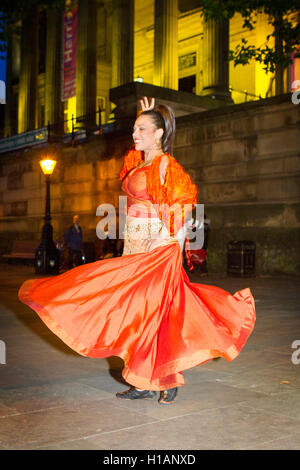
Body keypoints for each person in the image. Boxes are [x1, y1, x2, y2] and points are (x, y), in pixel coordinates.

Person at [18, 97, 256, 405]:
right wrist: (151, 112)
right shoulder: (138, 162)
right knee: (136, 314)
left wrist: (169, 239)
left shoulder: (165, 165)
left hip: (156, 247)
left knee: (157, 314)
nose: (135, 133)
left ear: (159, 134)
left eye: (142, 128)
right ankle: (141, 380)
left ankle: (167, 379)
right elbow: (136, 177)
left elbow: (183, 204)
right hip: (133, 245)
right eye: (134, 127)